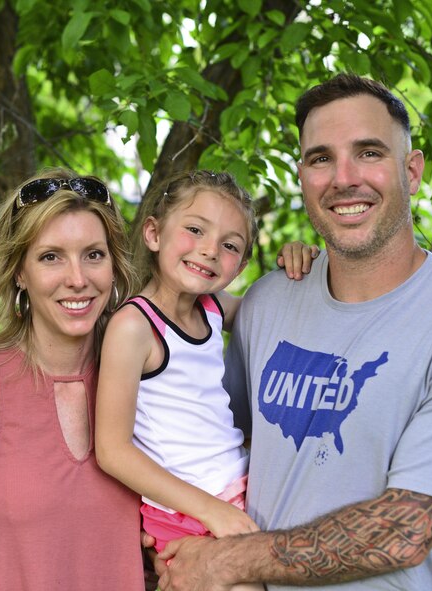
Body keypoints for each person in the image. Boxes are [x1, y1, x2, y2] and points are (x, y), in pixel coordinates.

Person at [153, 73, 432, 590]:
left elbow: (405, 529)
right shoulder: (267, 302)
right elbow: (196, 438)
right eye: (321, 158)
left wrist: (223, 562)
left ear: (412, 171)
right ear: (303, 176)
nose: (344, 177)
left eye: (370, 152)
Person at [95, 170, 315, 574]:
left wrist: (299, 263)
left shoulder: (213, 307)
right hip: (187, 514)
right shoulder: (135, 327)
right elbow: (113, 451)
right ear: (153, 234)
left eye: (229, 245)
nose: (210, 250)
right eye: (195, 229)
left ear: (242, 262)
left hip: (238, 491)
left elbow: (276, 311)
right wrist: (212, 511)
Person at [0, 169, 145, 590]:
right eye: (51, 256)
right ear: (19, 272)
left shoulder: (150, 381)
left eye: (93, 254)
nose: (78, 279)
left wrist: (299, 278)